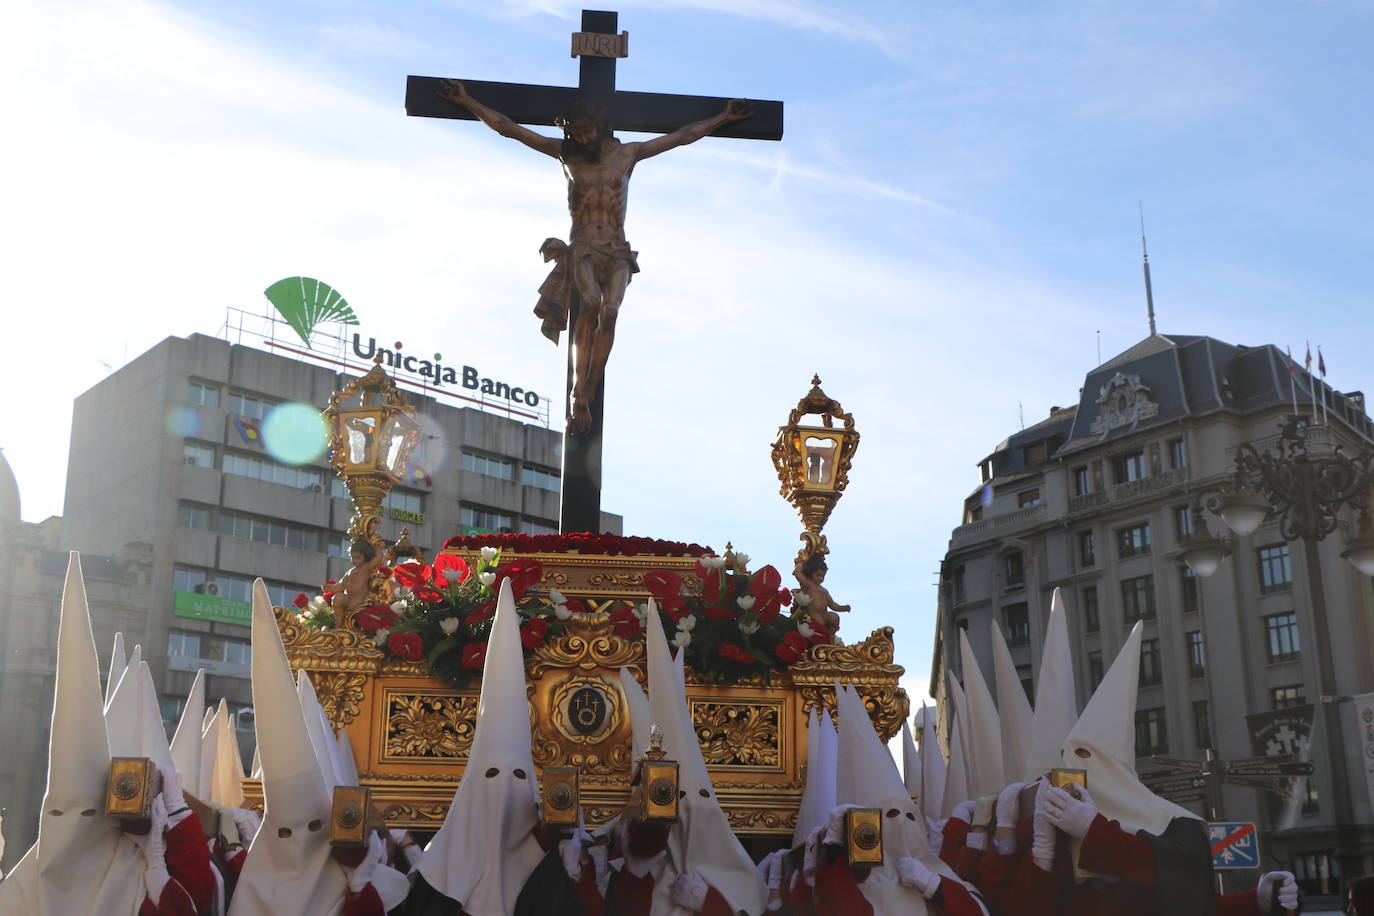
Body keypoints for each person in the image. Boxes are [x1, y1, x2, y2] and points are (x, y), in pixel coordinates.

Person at [435, 80, 754, 434]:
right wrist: (466, 100)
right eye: (575, 132)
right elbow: (508, 129)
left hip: (617, 250)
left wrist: (724, 118)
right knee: (589, 302)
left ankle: (587, 387)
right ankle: (579, 394)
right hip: (584, 246)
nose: (581, 137)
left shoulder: (628, 154)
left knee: (610, 312)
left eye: (585, 130)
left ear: (600, 127)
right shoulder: (565, 154)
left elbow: (682, 136)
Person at [792, 555, 849, 635]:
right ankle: (825, 637)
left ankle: (831, 637)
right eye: (818, 575)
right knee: (821, 626)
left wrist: (842, 608)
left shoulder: (823, 590)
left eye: (823, 576)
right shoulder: (808, 584)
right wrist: (804, 562)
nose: (821, 578)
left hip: (824, 613)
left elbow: (832, 604)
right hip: (814, 613)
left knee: (834, 618)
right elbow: (797, 572)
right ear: (810, 573)